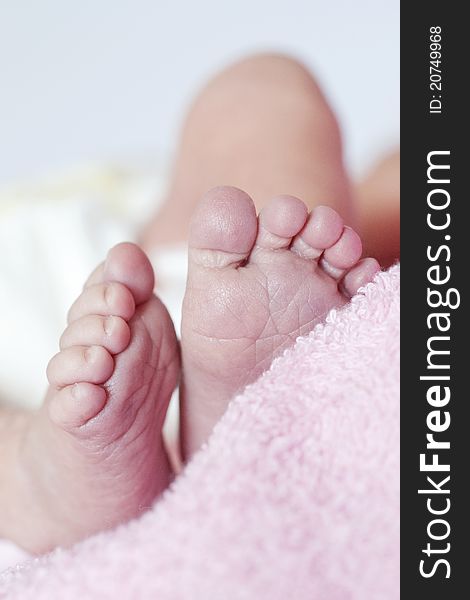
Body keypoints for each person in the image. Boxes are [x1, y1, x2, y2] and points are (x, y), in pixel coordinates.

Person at [0, 54, 399, 555]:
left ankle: (35, 481)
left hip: (175, 291)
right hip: (180, 280)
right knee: (264, 88)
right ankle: (33, 480)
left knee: (256, 89)